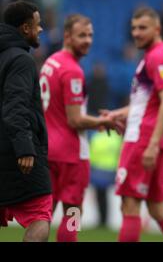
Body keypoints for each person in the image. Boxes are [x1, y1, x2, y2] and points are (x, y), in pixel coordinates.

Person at [102, 7, 163, 242]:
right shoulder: (159, 55)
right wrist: (117, 114)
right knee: (157, 209)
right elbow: (146, 104)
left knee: (129, 207)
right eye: (134, 28)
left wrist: (152, 144)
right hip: (152, 137)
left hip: (143, 139)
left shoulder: (158, 56)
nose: (136, 33)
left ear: (157, 29)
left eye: (142, 28)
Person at [39, 14, 115, 242]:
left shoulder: (50, 63)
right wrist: (103, 122)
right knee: (73, 213)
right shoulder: (72, 70)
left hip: (47, 150)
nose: (88, 40)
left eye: (90, 35)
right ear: (67, 36)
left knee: (43, 216)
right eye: (82, 35)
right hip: (70, 155)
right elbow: (75, 120)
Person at [0, 0, 52, 241]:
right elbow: (15, 106)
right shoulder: (21, 60)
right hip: (13, 151)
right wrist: (25, 147)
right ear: (25, 28)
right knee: (39, 213)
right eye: (37, 24)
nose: (41, 29)